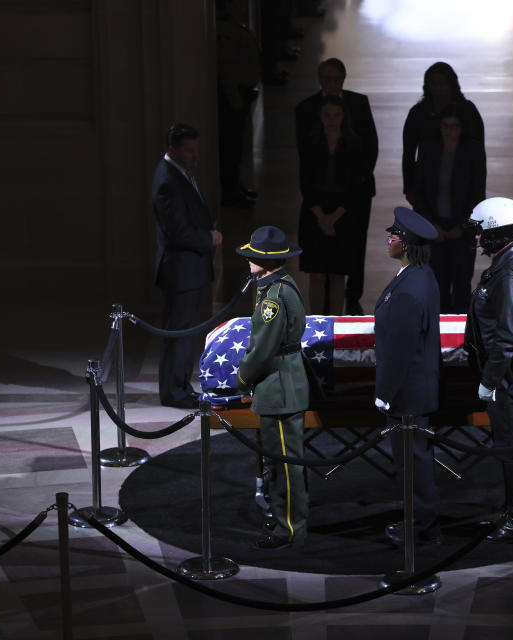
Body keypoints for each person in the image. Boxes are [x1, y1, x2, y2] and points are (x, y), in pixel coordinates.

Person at [464, 197, 513, 540]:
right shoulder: (507, 261)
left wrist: (489, 381)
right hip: (506, 372)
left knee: (512, 445)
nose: (477, 238)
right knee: (510, 443)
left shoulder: (510, 275)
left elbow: (507, 338)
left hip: (506, 376)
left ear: (495, 232)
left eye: (480, 231)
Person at [235, 226, 310, 550]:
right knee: (278, 462)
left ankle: (290, 528)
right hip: (280, 384)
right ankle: (283, 518)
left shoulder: (274, 298)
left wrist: (240, 378)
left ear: (261, 261)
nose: (247, 260)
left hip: (279, 388)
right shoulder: (275, 287)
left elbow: (263, 350)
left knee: (286, 465)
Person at [374, 207, 443, 546]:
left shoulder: (408, 289)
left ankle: (420, 526)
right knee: (414, 461)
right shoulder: (420, 275)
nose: (389, 238)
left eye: (395, 235)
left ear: (408, 244)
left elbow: (401, 349)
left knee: (413, 464)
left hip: (408, 392)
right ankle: (420, 521)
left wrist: (385, 392)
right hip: (417, 388)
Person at [295, 58, 378, 315]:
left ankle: (348, 305)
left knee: (346, 261)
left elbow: (370, 151)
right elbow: (305, 172)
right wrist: (321, 215)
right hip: (317, 208)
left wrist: (338, 213)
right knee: (318, 272)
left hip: (350, 201)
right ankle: (317, 325)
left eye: (335, 79)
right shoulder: (306, 112)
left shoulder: (358, 108)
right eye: (326, 79)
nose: (331, 84)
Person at [152, 124, 223, 408]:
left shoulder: (180, 173)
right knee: (178, 333)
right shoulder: (167, 181)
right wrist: (209, 238)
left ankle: (181, 385)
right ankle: (173, 392)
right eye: (189, 150)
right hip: (180, 272)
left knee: (186, 333)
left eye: (196, 149)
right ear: (172, 150)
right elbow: (177, 232)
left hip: (190, 271)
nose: (195, 155)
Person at [410, 102, 486, 312]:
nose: (449, 130)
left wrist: (462, 226)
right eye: (445, 125)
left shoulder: (472, 151)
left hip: (463, 230)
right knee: (436, 287)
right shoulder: (428, 149)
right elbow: (419, 192)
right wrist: (431, 225)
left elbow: (477, 193)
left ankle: (460, 339)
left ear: (461, 128)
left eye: (454, 126)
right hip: (433, 228)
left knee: (462, 286)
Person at [402, 62, 485, 207]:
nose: (438, 88)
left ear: (451, 84)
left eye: (442, 83)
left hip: (462, 183)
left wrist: (478, 192)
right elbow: (408, 153)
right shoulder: (418, 113)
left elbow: (478, 156)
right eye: (433, 84)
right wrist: (409, 187)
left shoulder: (468, 112)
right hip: (427, 184)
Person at [216, 0, 260, 208]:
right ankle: (230, 189)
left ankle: (236, 185)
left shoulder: (234, 25)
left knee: (238, 145)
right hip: (234, 95)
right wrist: (235, 99)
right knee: (230, 146)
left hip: (242, 93)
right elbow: (226, 68)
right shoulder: (225, 30)